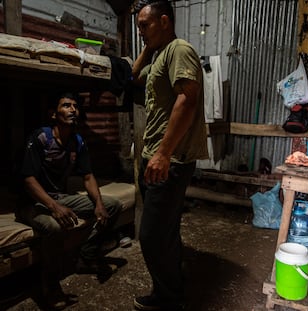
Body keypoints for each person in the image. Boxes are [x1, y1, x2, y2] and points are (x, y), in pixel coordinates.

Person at [131, 1, 208, 310]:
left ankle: (168, 297)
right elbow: (134, 77)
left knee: (150, 237)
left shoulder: (179, 49)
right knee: (166, 231)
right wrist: (149, 47)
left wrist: (163, 153)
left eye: (144, 26)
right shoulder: (160, 54)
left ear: (164, 21)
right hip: (154, 158)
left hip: (168, 161)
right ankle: (173, 286)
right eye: (138, 27)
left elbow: (187, 99)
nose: (140, 33)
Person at [16, 91, 121, 310]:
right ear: (53, 114)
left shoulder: (77, 141)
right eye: (66, 105)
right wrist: (54, 207)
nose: (72, 109)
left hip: (60, 198)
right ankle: (51, 285)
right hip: (32, 202)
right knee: (55, 227)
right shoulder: (41, 138)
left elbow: (88, 176)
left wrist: (99, 205)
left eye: (75, 106)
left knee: (113, 205)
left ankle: (86, 256)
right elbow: (28, 180)